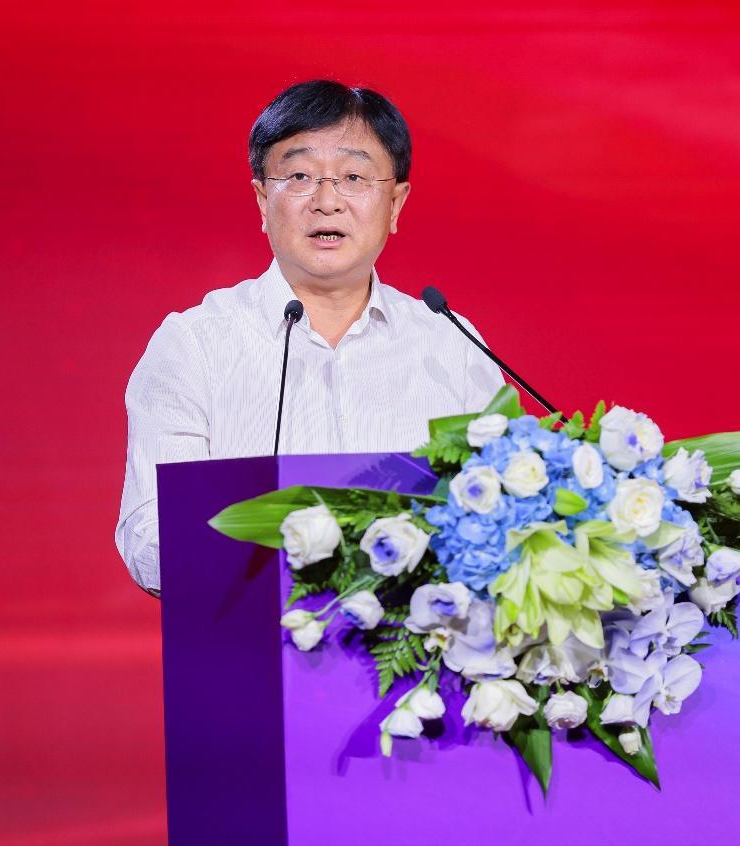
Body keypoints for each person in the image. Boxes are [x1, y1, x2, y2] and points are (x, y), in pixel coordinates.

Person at [116, 80, 505, 596]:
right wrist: (275, 558)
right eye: (299, 176)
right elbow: (148, 535)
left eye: (353, 177)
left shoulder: (452, 345)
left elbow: (503, 513)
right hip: (254, 634)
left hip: (424, 641)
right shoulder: (195, 346)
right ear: (262, 199)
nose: (327, 201)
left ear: (395, 203)